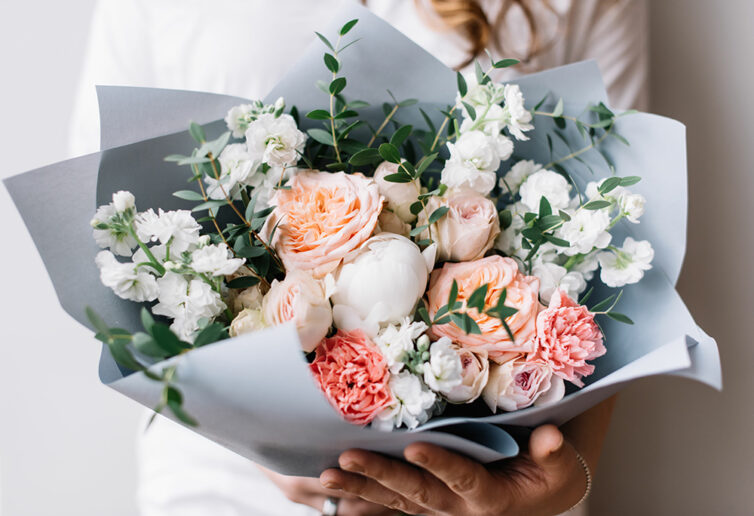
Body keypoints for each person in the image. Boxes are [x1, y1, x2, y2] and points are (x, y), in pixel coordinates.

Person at [70, 1, 648, 514]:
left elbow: (620, 233)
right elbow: (100, 229)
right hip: (222, 485)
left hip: (482, 491)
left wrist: (565, 478)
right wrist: (266, 443)